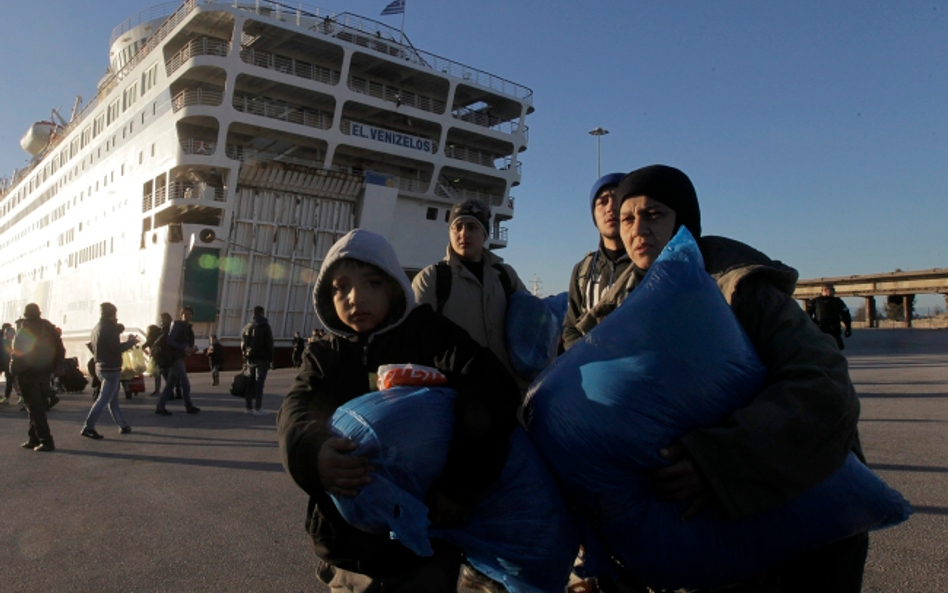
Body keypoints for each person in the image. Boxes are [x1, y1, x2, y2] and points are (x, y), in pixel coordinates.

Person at [578, 165, 868, 593]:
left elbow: (823, 389)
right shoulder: (614, 313)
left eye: (654, 214)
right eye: (627, 218)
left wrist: (717, 459)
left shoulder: (742, 289)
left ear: (684, 222)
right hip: (707, 543)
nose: (638, 229)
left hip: (801, 527)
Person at [277, 229, 520, 593]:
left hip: (422, 549)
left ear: (394, 285)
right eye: (340, 288)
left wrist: (459, 488)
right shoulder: (324, 354)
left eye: (372, 282)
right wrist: (313, 455)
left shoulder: (431, 336)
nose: (355, 298)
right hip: (346, 548)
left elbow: (492, 391)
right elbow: (296, 410)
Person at [411, 199, 526, 382]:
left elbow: (531, 321)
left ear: (485, 234)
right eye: (457, 227)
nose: (464, 234)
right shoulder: (431, 279)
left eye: (472, 227)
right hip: (456, 392)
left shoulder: (505, 276)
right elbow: (415, 341)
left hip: (509, 386)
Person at [561, 173, 632, 350]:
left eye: (618, 198)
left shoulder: (648, 263)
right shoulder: (582, 271)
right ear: (593, 214)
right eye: (602, 201)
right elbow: (570, 328)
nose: (611, 207)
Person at [10, 303, 64, 452]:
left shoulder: (24, 330)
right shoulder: (48, 327)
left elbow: (18, 354)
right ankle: (33, 438)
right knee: (35, 405)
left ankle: (46, 440)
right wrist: (57, 366)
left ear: (26, 315)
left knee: (35, 408)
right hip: (44, 371)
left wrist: (13, 370)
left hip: (28, 373)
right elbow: (60, 348)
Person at [81, 303, 139, 439]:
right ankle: (88, 427)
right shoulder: (109, 329)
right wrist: (131, 342)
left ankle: (123, 425)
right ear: (112, 313)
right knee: (103, 400)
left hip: (100, 367)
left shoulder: (97, 327)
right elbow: (116, 348)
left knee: (113, 400)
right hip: (111, 368)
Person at [155, 307, 200, 416]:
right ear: (181, 315)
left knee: (170, 383)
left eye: (189, 314)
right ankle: (188, 406)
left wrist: (191, 349)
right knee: (185, 383)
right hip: (175, 358)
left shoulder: (188, 328)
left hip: (179, 357)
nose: (187, 316)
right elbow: (170, 340)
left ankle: (160, 407)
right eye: (185, 314)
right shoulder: (177, 325)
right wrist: (184, 348)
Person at [241, 306, 274, 415]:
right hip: (262, 358)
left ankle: (248, 407)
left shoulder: (247, 327)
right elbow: (269, 344)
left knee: (250, 383)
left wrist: (245, 357)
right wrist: (270, 359)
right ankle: (258, 407)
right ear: (261, 313)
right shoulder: (265, 326)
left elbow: (243, 344)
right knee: (259, 383)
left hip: (250, 358)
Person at [806, 284, 853, 350]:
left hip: (834, 329)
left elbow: (846, 315)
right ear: (824, 290)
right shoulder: (815, 302)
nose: (834, 292)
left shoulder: (838, 302)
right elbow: (807, 315)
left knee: (836, 348)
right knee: (820, 348)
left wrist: (848, 328)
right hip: (820, 329)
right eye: (832, 289)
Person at [0, 322, 21, 405]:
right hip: (9, 364)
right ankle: (18, 395)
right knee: (13, 381)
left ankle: (7, 397)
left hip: (10, 364)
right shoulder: (9, 342)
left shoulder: (7, 342)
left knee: (11, 381)